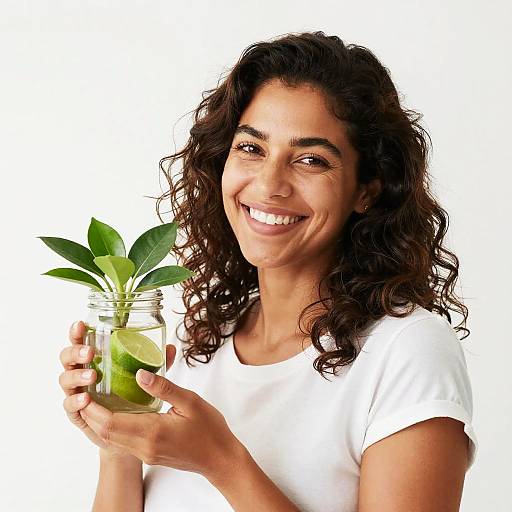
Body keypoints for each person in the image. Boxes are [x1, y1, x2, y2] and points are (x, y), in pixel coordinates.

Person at [58, 30, 478, 511]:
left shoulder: (407, 350)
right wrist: (118, 442)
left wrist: (222, 462)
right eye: (252, 148)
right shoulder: (202, 346)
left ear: (367, 190)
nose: (269, 184)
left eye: (310, 160)